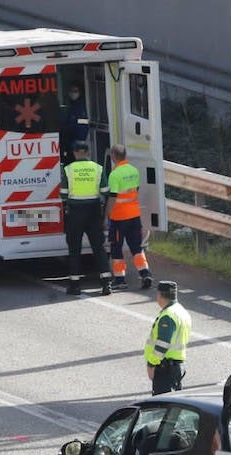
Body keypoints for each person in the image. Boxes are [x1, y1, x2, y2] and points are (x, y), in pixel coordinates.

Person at [61, 139, 111, 296]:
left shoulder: (68, 169)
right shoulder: (98, 168)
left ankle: (75, 285)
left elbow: (63, 194)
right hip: (94, 211)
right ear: (88, 152)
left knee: (74, 249)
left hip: (75, 211)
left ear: (75, 153)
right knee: (98, 247)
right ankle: (106, 284)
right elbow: (105, 191)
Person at [105, 144, 152, 290]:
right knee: (136, 247)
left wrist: (106, 216)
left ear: (113, 155)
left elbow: (113, 197)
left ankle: (120, 279)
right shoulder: (133, 170)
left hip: (119, 218)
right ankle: (145, 273)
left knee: (116, 248)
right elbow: (135, 191)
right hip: (134, 215)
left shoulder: (115, 174)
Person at [144, 280, 191, 395]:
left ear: (160, 295)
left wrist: (151, 364)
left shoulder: (168, 315)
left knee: (161, 405)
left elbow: (162, 344)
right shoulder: (181, 311)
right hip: (175, 366)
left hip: (165, 368)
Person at [59, 81, 88, 165]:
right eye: (71, 91)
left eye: (75, 91)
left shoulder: (80, 107)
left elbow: (82, 124)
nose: (73, 93)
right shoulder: (72, 105)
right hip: (70, 141)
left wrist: (80, 140)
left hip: (76, 141)